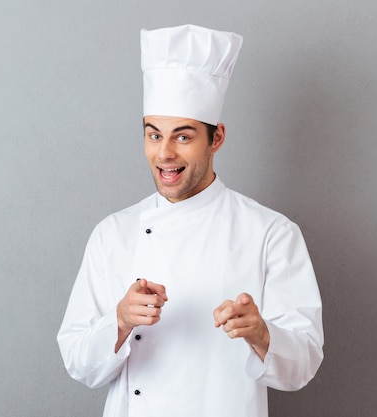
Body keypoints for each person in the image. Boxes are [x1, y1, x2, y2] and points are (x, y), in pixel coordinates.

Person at [57, 24, 323, 417]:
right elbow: (79, 364)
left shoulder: (270, 233)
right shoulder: (112, 234)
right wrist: (120, 320)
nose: (164, 153)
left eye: (183, 137)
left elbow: (303, 366)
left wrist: (262, 334)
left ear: (216, 139)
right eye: (153, 135)